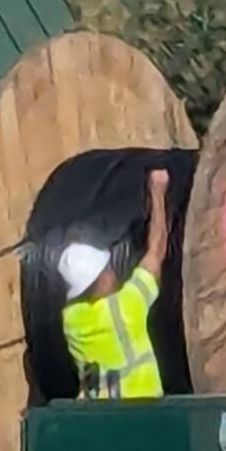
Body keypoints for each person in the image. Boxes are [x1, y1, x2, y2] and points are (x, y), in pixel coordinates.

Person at [59, 168, 171, 402]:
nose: (113, 273)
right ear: (98, 280)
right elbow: (157, 251)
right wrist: (158, 193)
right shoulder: (124, 308)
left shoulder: (71, 322)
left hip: (99, 417)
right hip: (144, 412)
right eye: (107, 270)